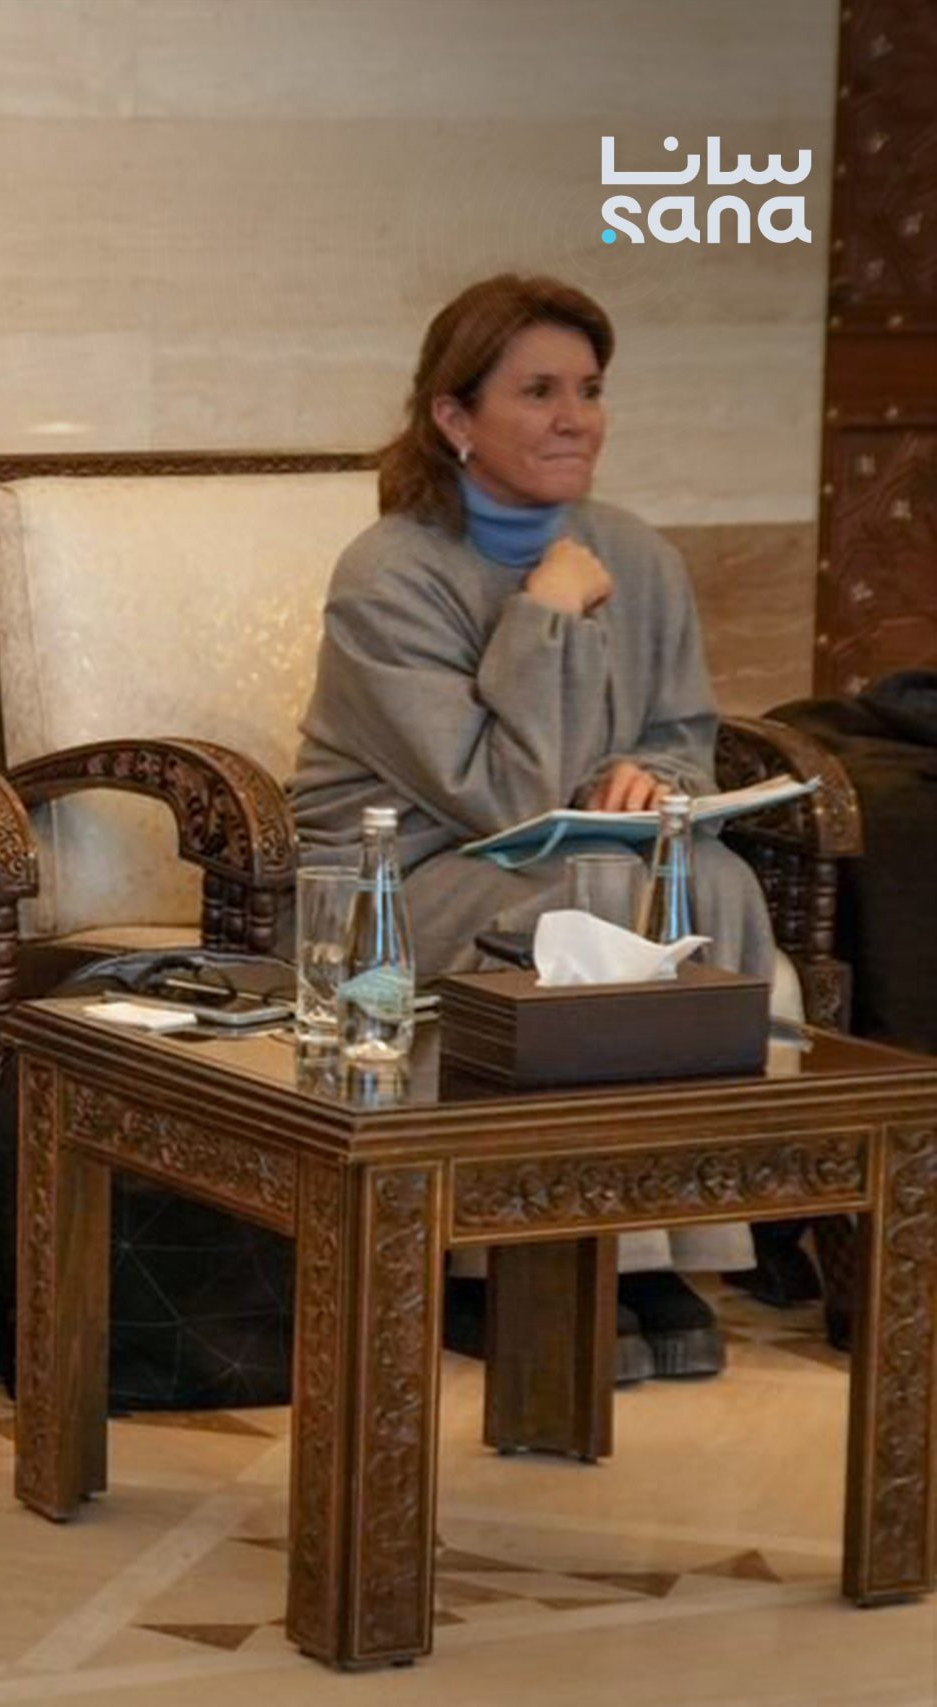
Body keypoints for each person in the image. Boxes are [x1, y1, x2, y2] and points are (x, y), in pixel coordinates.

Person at [288, 272, 770, 1380]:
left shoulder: (637, 554)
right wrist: (544, 612)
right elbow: (498, 797)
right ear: (454, 417)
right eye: (538, 391)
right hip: (403, 880)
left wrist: (650, 777)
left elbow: (682, 735)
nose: (574, 418)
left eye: (589, 390)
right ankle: (511, 1260)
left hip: (570, 855)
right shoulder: (388, 573)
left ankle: (650, 1239)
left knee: (712, 882)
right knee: (589, 895)